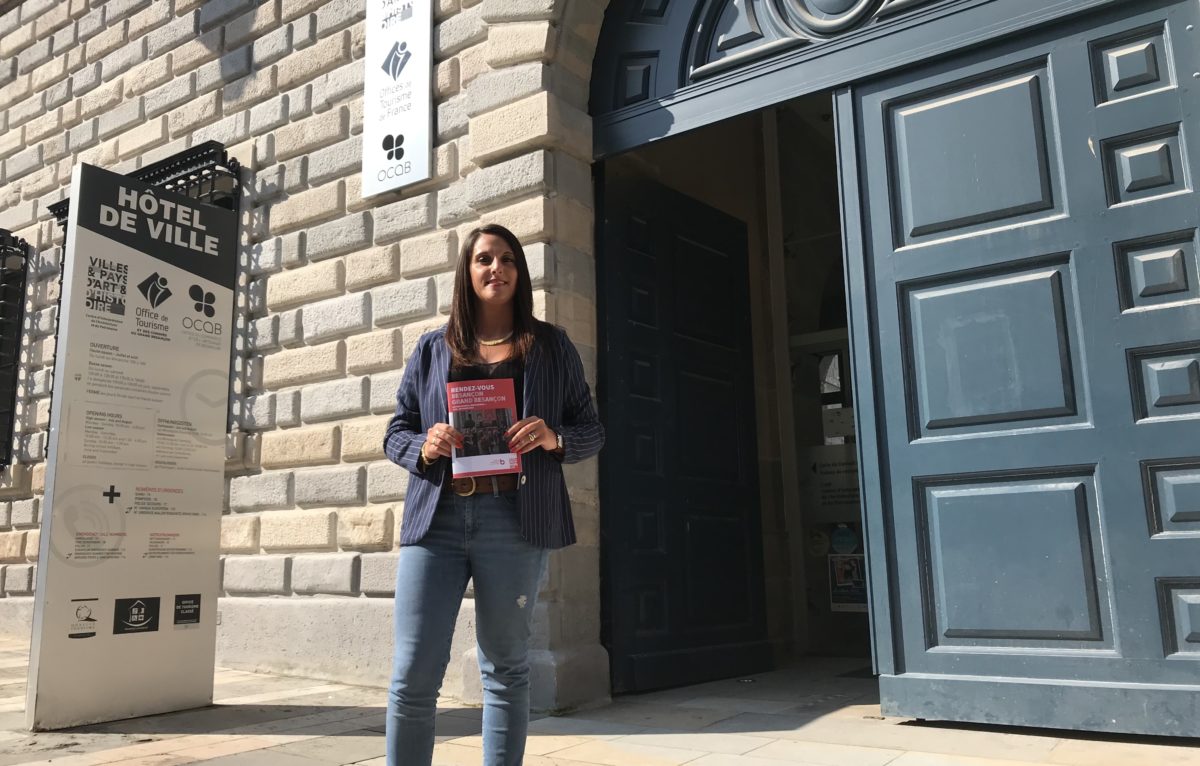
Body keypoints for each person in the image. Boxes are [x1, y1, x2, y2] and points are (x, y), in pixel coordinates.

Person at [383, 223, 605, 766]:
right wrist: (426, 445)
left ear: (519, 272)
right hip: (437, 517)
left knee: (505, 668)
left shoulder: (551, 346)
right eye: (484, 259)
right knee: (413, 672)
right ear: (467, 271)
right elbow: (395, 433)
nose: (496, 269)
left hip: (515, 518)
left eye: (507, 259)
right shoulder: (433, 348)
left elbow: (591, 430)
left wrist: (554, 438)